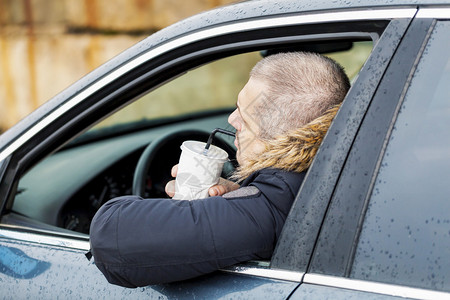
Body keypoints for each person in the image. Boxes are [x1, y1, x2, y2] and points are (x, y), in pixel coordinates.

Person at [89, 52, 350, 288]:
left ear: (280, 139)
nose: (231, 119)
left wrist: (245, 205)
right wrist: (242, 194)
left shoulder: (270, 209)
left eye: (244, 118)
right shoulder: (335, 175)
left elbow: (112, 238)